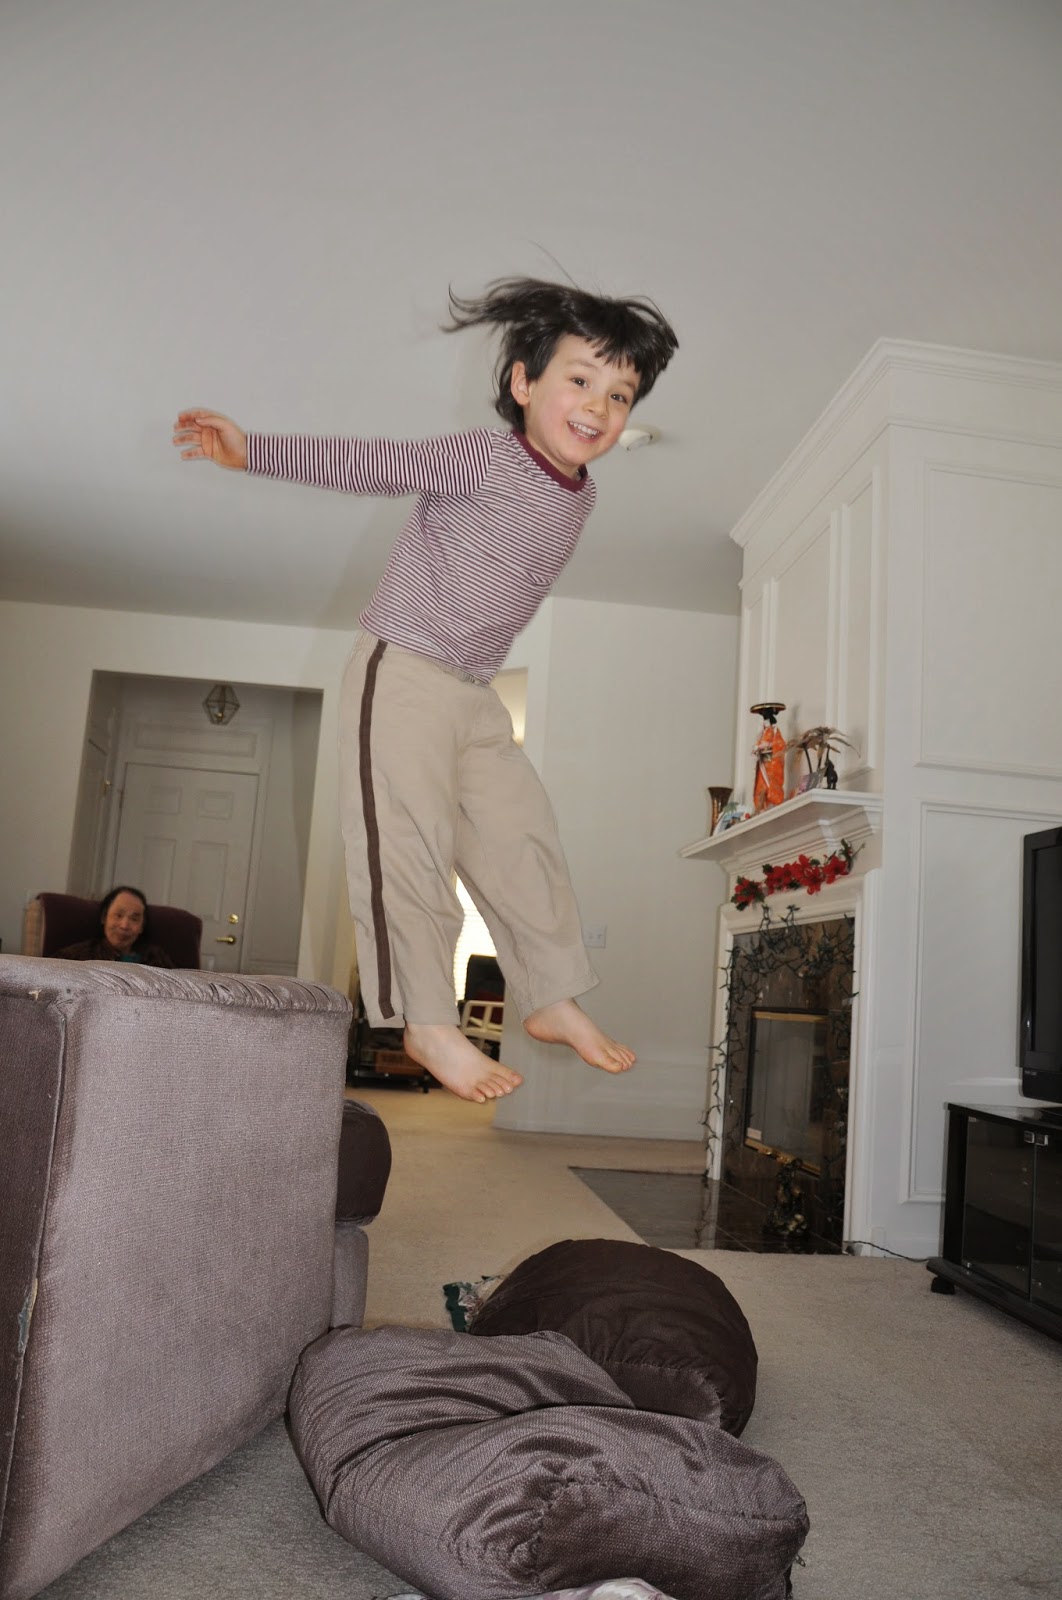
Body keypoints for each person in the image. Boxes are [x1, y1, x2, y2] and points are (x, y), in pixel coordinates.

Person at [173, 276, 678, 1103]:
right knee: (408, 846)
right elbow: (371, 465)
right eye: (581, 379)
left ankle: (550, 992)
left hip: (474, 694)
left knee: (522, 832)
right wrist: (250, 449)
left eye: (620, 394)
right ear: (523, 382)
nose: (599, 406)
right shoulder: (483, 456)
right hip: (403, 669)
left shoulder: (582, 498)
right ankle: (427, 1021)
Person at [56, 885, 176, 967]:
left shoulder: (156, 957)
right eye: (118, 915)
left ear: (142, 927)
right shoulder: (76, 957)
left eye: (134, 919)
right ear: (104, 918)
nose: (124, 926)